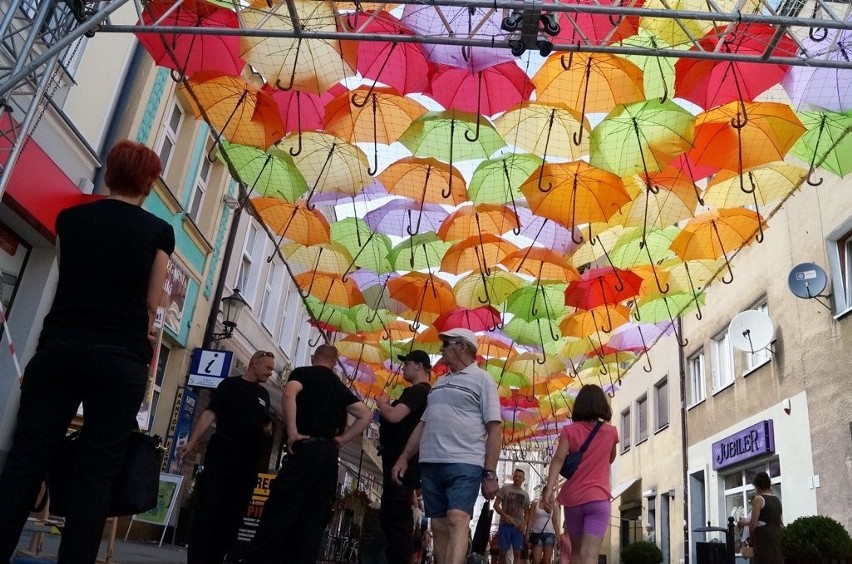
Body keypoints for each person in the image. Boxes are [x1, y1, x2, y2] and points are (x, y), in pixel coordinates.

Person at [0, 140, 174, 563]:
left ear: (109, 173)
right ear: (150, 182)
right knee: (97, 472)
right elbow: (154, 302)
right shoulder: (158, 232)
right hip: (120, 358)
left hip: (61, 346)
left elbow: (67, 274)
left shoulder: (70, 220)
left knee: (27, 459)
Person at [244, 344, 372, 564]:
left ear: (314, 357)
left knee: (282, 506)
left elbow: (289, 393)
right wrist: (343, 438)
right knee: (315, 514)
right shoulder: (338, 386)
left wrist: (292, 431)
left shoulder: (302, 373)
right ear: (334, 363)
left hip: (305, 447)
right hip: (329, 455)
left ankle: (261, 558)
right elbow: (365, 414)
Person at [392, 328, 502, 564]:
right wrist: (404, 456)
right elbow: (423, 424)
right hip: (431, 462)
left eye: (446, 344)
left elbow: (494, 429)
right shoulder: (440, 382)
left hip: (465, 461)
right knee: (439, 525)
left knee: (457, 518)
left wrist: (490, 473)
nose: (441, 350)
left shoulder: (483, 380)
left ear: (461, 347)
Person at [178, 350, 275, 564]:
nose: (270, 373)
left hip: (247, 464)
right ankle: (197, 558)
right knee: (208, 509)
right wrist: (192, 441)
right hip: (222, 457)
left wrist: (266, 430)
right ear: (254, 363)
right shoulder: (229, 386)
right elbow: (210, 413)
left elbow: (264, 423)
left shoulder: (264, 395)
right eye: (268, 368)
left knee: (233, 515)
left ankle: (218, 557)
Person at [542, 385, 619, 564]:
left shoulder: (569, 431)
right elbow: (610, 458)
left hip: (573, 500)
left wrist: (549, 489)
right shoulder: (611, 432)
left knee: (575, 553)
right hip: (598, 498)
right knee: (590, 554)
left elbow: (558, 459)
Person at [376, 349, 432, 564]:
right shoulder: (426, 393)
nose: (404, 367)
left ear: (419, 365)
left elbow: (394, 415)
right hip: (408, 462)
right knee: (397, 515)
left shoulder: (416, 392)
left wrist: (383, 403)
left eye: (407, 363)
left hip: (400, 461)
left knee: (395, 516)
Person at [737, 472, 783, 563]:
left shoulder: (759, 499)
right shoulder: (777, 500)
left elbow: (753, 524)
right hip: (776, 539)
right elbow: (780, 523)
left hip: (762, 539)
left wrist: (751, 539)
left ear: (758, 486)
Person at [494, 468, 531, 564]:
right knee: (502, 552)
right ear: (513, 476)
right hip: (505, 524)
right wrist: (504, 515)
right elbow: (496, 505)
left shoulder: (525, 494)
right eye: (516, 476)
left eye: (520, 477)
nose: (517, 478)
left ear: (523, 479)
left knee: (517, 552)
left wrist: (524, 524)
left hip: (518, 526)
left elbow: (527, 512)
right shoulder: (505, 489)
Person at [526, 488, 559, 564]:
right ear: (543, 493)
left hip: (549, 534)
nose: (550, 495)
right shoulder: (535, 504)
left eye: (551, 493)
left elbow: (555, 522)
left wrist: (558, 536)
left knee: (547, 560)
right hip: (537, 533)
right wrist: (527, 532)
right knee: (536, 560)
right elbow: (531, 519)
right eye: (548, 492)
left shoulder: (554, 506)